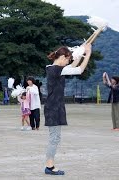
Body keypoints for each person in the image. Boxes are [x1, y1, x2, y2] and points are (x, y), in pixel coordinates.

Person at [44, 44, 92, 175]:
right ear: (62, 57)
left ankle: (50, 164)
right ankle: (49, 166)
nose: (68, 62)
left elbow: (71, 67)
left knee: (55, 137)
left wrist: (79, 52)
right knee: (54, 138)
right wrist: (87, 54)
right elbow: (79, 69)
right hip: (53, 107)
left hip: (55, 106)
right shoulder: (56, 69)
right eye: (67, 59)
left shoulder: (54, 68)